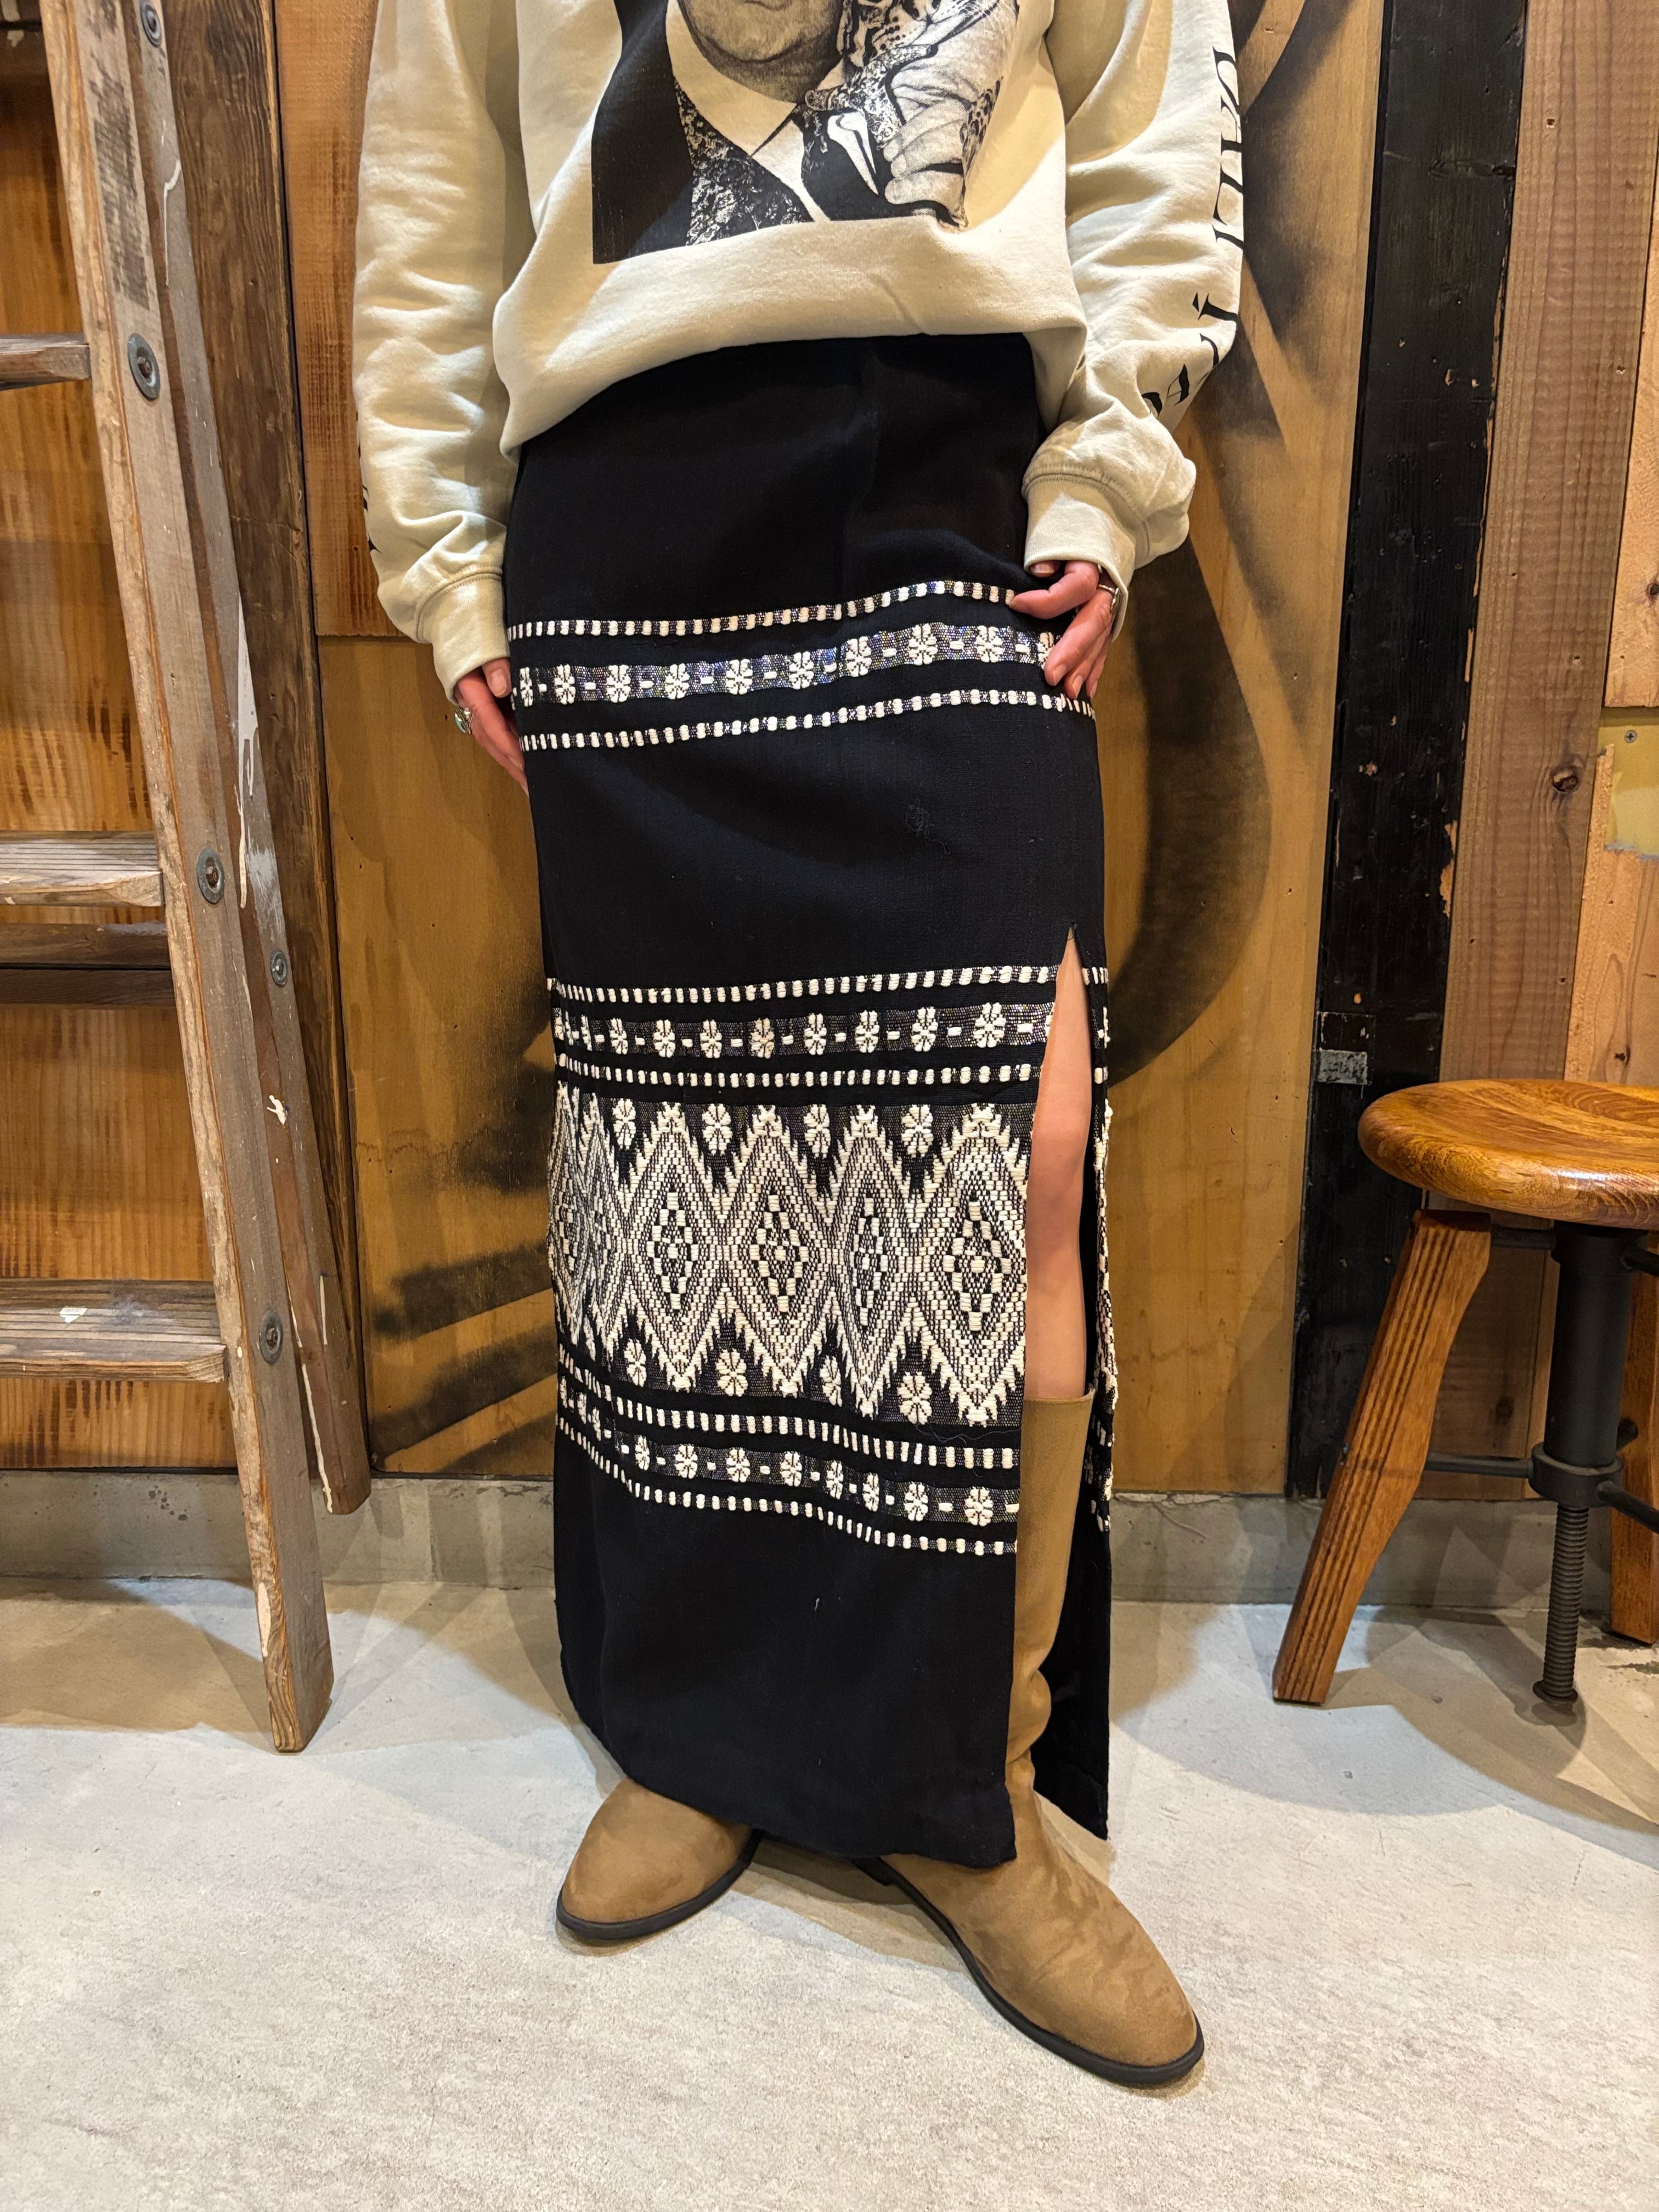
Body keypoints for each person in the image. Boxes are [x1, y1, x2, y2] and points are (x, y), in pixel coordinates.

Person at [353, 0, 1242, 2086]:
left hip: (957, 480)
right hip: (625, 496)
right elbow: (431, 201)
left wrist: (1110, 470)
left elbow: (1151, 124)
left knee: (1011, 1158)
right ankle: (705, 1735)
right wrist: (449, 571)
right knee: (667, 1177)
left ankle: (970, 1788)